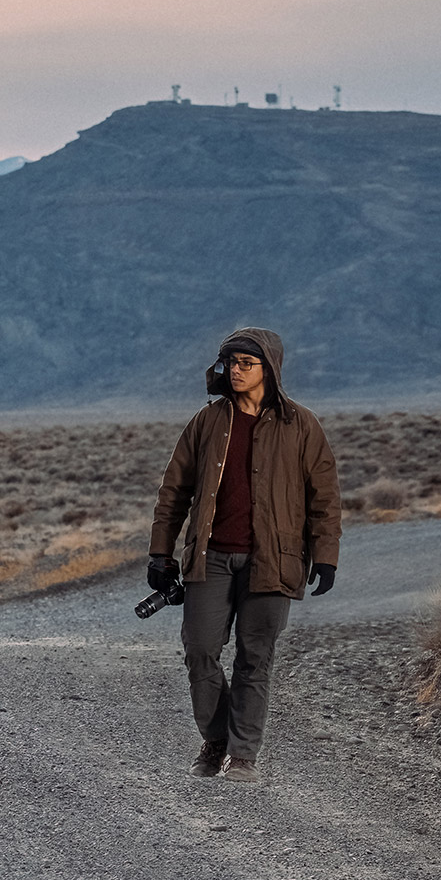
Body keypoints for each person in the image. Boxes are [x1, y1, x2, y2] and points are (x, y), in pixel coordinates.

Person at [147, 328, 342, 784]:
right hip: (209, 559)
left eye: (244, 364)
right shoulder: (207, 422)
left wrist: (326, 556)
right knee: (199, 650)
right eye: (229, 363)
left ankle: (244, 754)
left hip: (274, 562)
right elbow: (173, 491)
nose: (234, 371)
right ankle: (216, 739)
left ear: (268, 369)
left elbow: (325, 499)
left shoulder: (303, 426)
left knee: (256, 658)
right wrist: (161, 553)